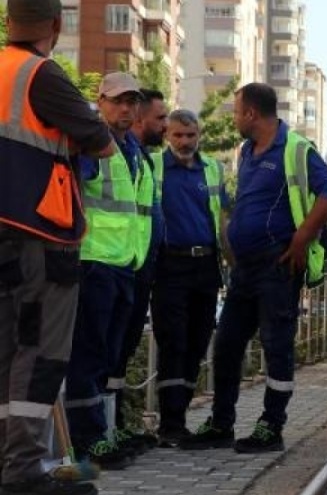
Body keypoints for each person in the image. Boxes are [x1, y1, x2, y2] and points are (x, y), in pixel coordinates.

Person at [179, 83, 327, 453]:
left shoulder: (296, 148)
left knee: (276, 345)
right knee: (227, 344)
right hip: (246, 269)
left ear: (252, 113)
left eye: (237, 112)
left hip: (277, 264)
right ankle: (221, 423)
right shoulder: (248, 152)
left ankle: (271, 426)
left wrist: (302, 238)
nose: (234, 119)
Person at [0, 1, 116, 493]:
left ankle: (9, 466)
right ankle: (24, 471)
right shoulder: (41, 74)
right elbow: (102, 142)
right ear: (56, 24)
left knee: (6, 354)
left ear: (9, 22)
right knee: (40, 353)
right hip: (38, 237)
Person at [64, 72, 154, 470]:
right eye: (117, 100)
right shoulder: (92, 146)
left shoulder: (133, 150)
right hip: (93, 262)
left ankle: (102, 433)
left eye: (132, 101)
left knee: (108, 355)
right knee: (88, 354)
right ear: (100, 102)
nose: (125, 108)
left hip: (124, 265)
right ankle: (87, 441)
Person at [151, 109, 229, 447]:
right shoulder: (153, 166)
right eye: (178, 135)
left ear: (199, 135)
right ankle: (170, 424)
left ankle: (179, 418)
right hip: (169, 265)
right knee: (173, 343)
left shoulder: (213, 169)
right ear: (167, 135)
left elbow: (223, 220)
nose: (185, 142)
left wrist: (231, 265)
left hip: (206, 266)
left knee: (197, 343)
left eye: (191, 135)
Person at [106, 88, 168, 452]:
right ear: (141, 119)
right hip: (115, 263)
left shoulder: (141, 157)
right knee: (106, 350)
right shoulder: (116, 153)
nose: (165, 125)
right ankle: (103, 431)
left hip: (138, 265)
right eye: (160, 118)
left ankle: (115, 425)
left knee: (123, 349)